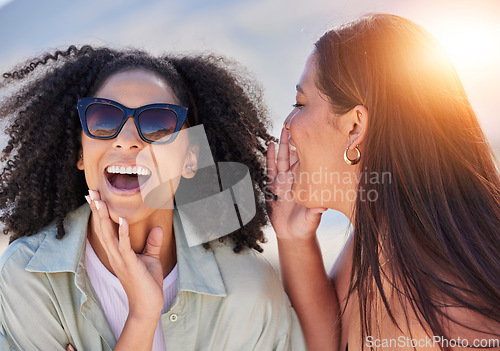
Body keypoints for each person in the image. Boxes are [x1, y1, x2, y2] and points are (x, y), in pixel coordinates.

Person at [0, 46, 305, 350]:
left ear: (190, 158)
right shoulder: (28, 277)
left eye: (158, 124)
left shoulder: (248, 289)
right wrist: (142, 316)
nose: (127, 140)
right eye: (104, 119)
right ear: (80, 151)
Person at [266, 13, 500, 351]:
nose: (287, 126)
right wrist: (293, 238)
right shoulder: (377, 246)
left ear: (355, 127)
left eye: (300, 104)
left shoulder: (459, 326)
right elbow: (328, 341)